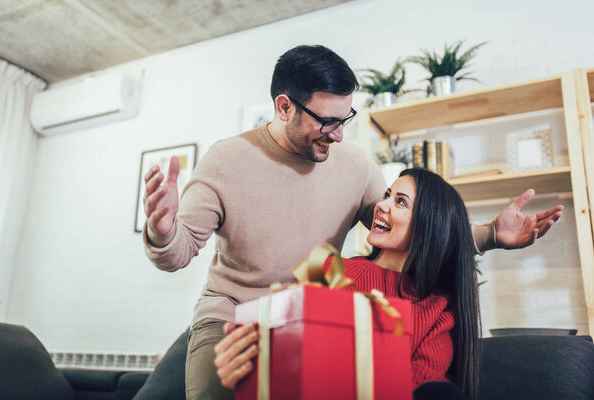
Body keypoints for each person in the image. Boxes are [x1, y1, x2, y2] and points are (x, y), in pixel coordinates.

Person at [142, 45, 563, 400]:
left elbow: (411, 225)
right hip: (236, 318)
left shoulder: (355, 165)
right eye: (327, 121)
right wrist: (163, 232)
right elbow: (177, 252)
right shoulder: (225, 160)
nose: (339, 134)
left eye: (345, 118)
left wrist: (489, 235)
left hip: (321, 314)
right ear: (284, 107)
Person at [214, 168, 479, 399]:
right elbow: (288, 340)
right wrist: (247, 354)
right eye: (387, 195)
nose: (382, 205)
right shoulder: (332, 269)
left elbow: (424, 381)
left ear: (427, 229)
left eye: (400, 202)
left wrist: (340, 364)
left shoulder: (440, 306)